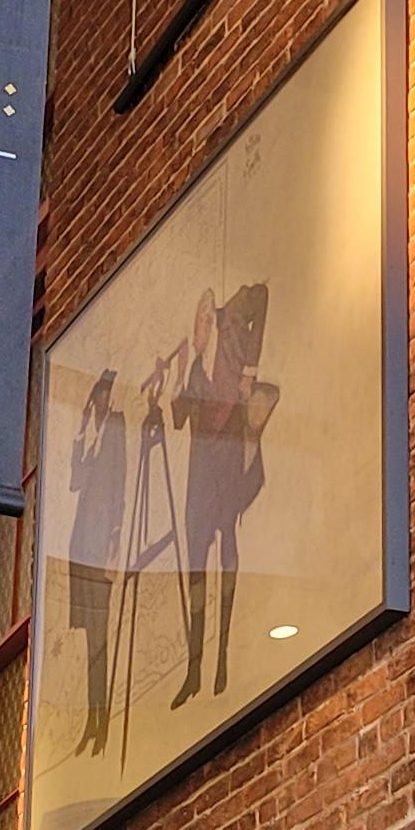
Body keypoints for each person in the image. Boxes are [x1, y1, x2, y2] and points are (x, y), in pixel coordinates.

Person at [171, 281, 275, 706]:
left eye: (205, 314)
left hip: (228, 449)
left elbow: (263, 297)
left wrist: (249, 371)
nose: (202, 322)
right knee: (196, 558)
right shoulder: (195, 365)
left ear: (212, 313)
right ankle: (195, 665)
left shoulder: (234, 316)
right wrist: (184, 367)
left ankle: (222, 657)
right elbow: (178, 418)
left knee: (227, 545)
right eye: (198, 318)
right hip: (201, 470)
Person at [65, 366, 129, 753]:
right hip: (80, 544)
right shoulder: (89, 440)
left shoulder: (117, 429)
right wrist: (79, 435)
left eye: (102, 397)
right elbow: (75, 481)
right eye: (95, 399)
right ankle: (91, 718)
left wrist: (115, 542)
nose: (99, 404)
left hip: (101, 540)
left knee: (101, 635)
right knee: (91, 635)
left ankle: (101, 721)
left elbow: (120, 485)